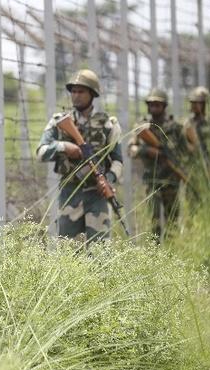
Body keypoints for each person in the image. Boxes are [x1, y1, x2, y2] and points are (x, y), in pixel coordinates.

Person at [36, 69, 123, 243]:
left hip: (96, 196)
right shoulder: (59, 122)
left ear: (92, 94)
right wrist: (64, 147)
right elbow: (41, 152)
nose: (76, 96)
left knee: (100, 254)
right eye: (73, 91)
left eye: (81, 91)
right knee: (68, 253)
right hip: (69, 194)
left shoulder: (108, 124)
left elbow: (118, 160)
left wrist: (109, 179)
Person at [129, 88, 187, 239]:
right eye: (151, 104)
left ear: (164, 106)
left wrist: (182, 170)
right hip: (151, 180)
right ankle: (155, 254)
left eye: (158, 104)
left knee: (173, 220)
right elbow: (131, 150)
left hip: (171, 180)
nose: (154, 107)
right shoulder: (142, 126)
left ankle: (172, 251)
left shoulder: (175, 128)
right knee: (154, 220)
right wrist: (147, 150)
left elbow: (185, 153)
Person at [183, 86, 210, 170]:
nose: (194, 105)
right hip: (192, 163)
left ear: (204, 104)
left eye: (198, 103)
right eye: (193, 103)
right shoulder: (187, 123)